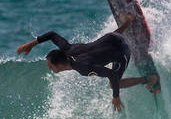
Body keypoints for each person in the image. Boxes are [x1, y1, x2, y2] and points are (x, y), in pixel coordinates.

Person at [17, 14, 158, 111]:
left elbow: (112, 74)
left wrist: (116, 97)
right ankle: (129, 21)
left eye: (50, 66)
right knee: (101, 42)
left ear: (59, 65)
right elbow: (52, 35)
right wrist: (32, 44)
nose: (50, 69)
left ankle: (149, 79)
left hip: (122, 51)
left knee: (115, 84)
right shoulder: (67, 49)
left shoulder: (82, 68)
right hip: (114, 36)